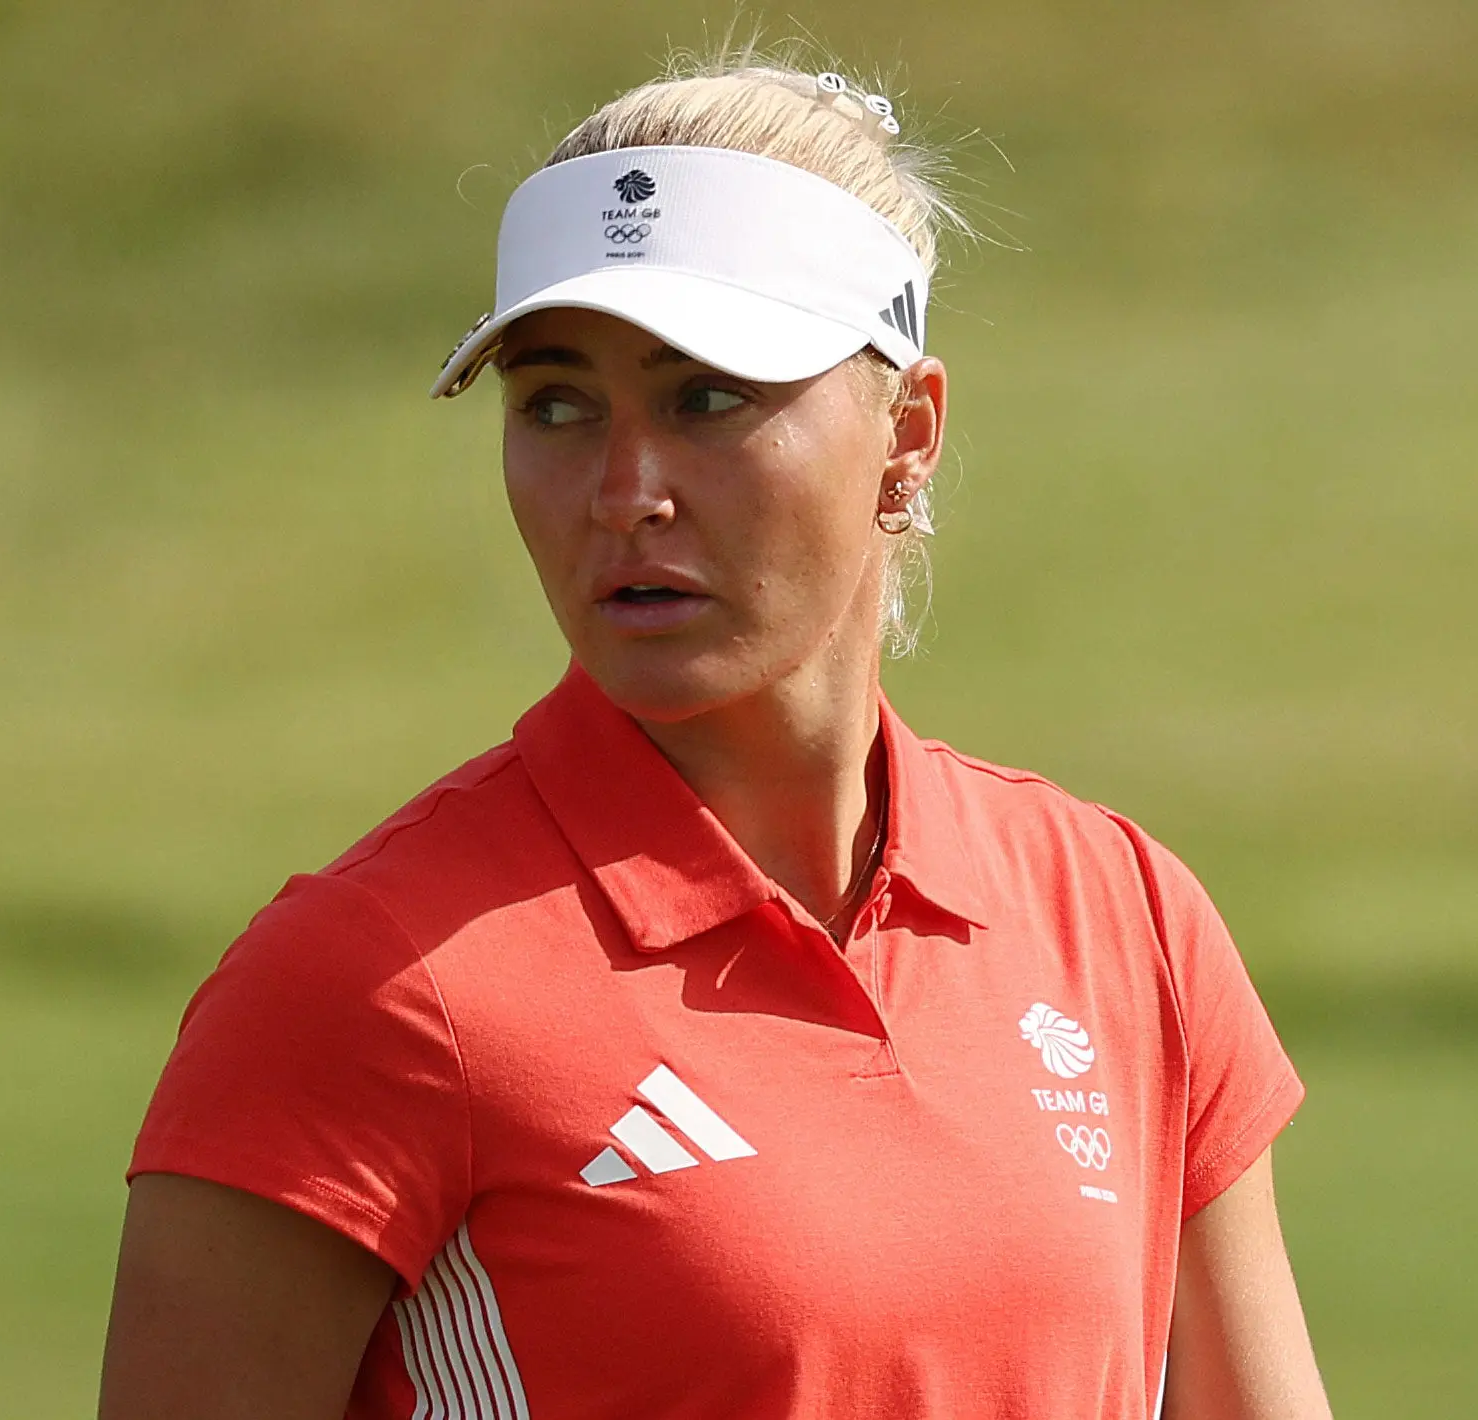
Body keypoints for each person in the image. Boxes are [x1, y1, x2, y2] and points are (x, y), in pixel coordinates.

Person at [100, 53, 1330, 1420]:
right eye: (556, 404)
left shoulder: (1123, 920)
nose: (624, 492)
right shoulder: (368, 982)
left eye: (709, 398)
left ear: (909, 433)